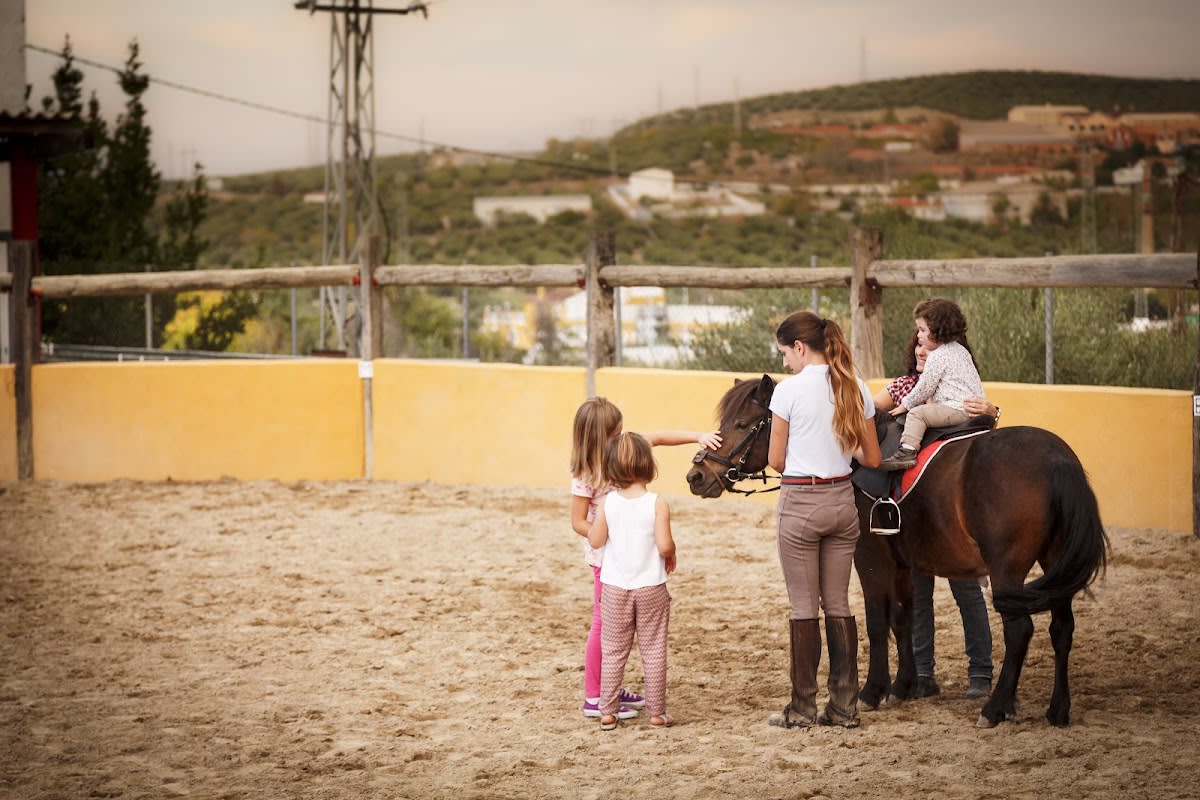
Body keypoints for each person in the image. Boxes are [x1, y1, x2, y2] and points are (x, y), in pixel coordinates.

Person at [569, 397, 720, 722]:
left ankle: (610, 689)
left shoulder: (622, 448)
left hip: (633, 556)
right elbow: (578, 521)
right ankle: (594, 696)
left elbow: (660, 437)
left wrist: (698, 436)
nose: (624, 438)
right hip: (607, 560)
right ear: (600, 439)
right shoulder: (586, 474)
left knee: (615, 628)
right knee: (604, 626)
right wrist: (607, 533)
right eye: (616, 434)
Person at [766, 311, 881, 730]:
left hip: (801, 502)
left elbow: (776, 460)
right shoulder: (855, 387)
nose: (784, 363)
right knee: (838, 603)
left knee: (803, 607)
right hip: (842, 503)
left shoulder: (788, 393)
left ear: (800, 347)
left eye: (785, 353)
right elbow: (872, 458)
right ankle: (845, 707)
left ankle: (802, 708)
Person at [874, 332, 997, 701]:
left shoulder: (956, 387)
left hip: (949, 510)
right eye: (917, 344)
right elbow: (869, 413)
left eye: (928, 345)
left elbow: (983, 433)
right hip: (910, 507)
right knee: (918, 592)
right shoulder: (900, 387)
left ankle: (980, 672)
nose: (920, 350)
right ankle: (923, 672)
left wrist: (993, 411)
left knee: (967, 592)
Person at [587, 432, 677, 730]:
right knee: (653, 650)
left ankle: (608, 712)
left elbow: (597, 540)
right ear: (648, 465)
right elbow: (664, 546)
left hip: (614, 588)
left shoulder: (609, 503)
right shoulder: (657, 503)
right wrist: (671, 552)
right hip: (651, 587)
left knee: (613, 651)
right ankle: (656, 713)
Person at [878, 297, 985, 471]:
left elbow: (925, 387)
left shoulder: (938, 356)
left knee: (917, 414)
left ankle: (907, 451)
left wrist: (907, 404)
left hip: (955, 408)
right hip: (971, 409)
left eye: (922, 330)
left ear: (937, 330)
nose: (918, 334)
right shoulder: (960, 351)